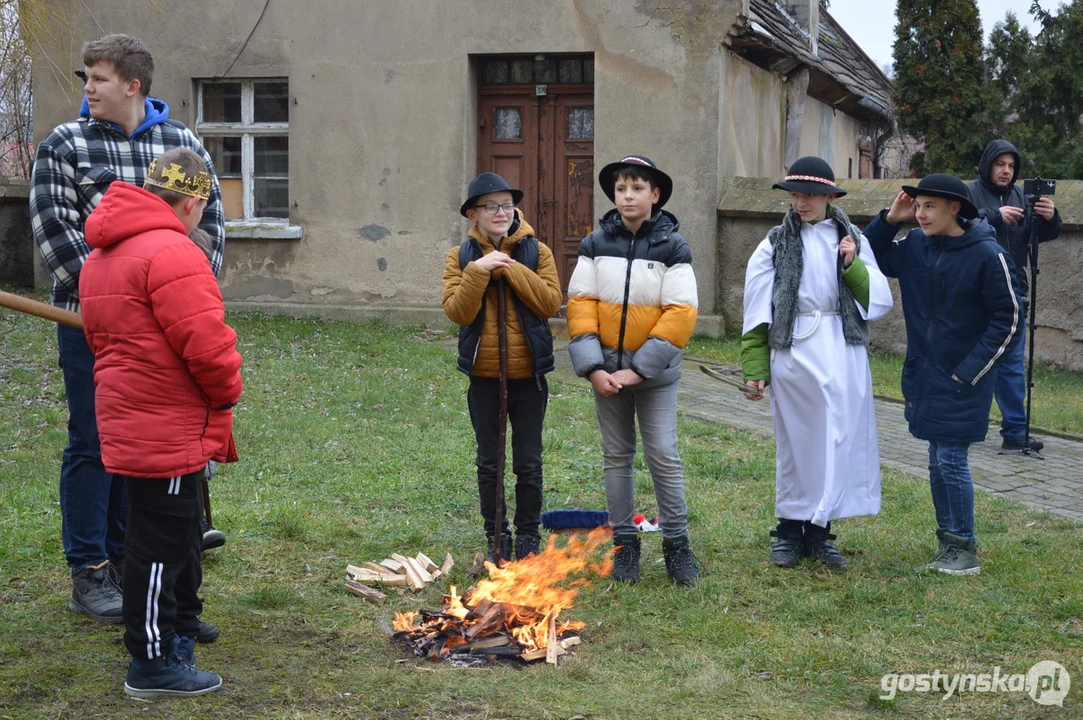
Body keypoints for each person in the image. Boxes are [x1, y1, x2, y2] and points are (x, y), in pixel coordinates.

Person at [29, 34, 224, 624]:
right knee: (94, 441)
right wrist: (119, 301)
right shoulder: (66, 143)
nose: (87, 88)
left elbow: (209, 225)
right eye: (85, 77)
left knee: (150, 444)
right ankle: (91, 570)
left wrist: (188, 295)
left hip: (171, 325)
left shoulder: (180, 145)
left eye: (98, 78)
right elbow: (53, 229)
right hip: (90, 323)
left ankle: (131, 558)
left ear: (133, 85)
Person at [79, 148, 241, 696]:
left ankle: (178, 624)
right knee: (158, 542)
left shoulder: (106, 250)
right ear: (193, 201)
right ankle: (151, 663)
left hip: (130, 410)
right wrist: (227, 394)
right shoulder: (173, 251)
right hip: (165, 417)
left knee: (176, 526)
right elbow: (207, 344)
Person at [740, 156, 893, 571]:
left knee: (837, 439)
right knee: (797, 442)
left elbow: (877, 300)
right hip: (794, 347)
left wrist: (851, 264)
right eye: (795, 194)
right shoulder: (775, 242)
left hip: (842, 348)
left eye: (809, 195)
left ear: (829, 196)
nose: (801, 202)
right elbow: (757, 310)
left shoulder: (852, 238)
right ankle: (789, 531)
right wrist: (755, 368)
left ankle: (821, 532)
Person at [865, 174, 1022, 576]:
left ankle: (964, 547)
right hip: (924, 374)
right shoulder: (916, 245)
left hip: (963, 377)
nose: (920, 214)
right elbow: (870, 253)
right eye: (917, 206)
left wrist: (968, 372)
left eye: (929, 206)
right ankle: (948, 542)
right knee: (937, 460)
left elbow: (1010, 319)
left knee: (951, 459)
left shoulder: (988, 255)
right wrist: (890, 218)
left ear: (956, 208)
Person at [565, 155, 700, 585]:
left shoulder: (673, 247)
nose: (628, 196)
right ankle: (625, 545)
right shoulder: (594, 244)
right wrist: (593, 368)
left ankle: (677, 545)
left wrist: (639, 370)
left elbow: (681, 313)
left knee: (663, 454)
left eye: (637, 188)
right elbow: (581, 305)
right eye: (621, 188)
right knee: (616, 457)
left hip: (654, 376)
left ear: (655, 195)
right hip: (606, 374)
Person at [441, 172, 562, 563]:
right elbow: (458, 311)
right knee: (489, 462)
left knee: (528, 461)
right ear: (473, 214)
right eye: (491, 206)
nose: (501, 213)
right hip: (485, 378)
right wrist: (479, 271)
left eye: (507, 205)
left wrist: (509, 266)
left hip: (529, 377)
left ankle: (528, 536)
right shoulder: (460, 258)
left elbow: (549, 304)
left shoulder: (536, 252)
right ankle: (497, 536)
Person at [967, 140, 1062, 452]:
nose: (1006, 171)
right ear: (988, 164)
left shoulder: (1024, 196)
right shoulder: (969, 193)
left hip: (1014, 293)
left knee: (1011, 366)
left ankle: (1015, 433)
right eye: (1000, 164)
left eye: (1011, 166)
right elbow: (959, 225)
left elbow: (1039, 235)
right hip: (974, 294)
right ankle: (965, 426)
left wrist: (1050, 218)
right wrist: (994, 216)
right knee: (972, 361)